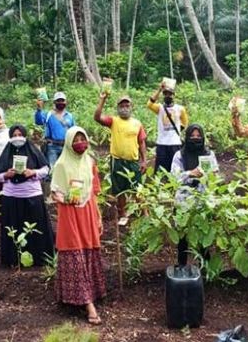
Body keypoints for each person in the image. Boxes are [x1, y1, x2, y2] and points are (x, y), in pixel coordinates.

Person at [51, 126, 106, 325]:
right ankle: (88, 304)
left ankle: (89, 294)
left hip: (88, 212)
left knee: (88, 250)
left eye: (83, 138)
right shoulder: (61, 165)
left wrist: (98, 216)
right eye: (76, 139)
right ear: (68, 142)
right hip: (70, 214)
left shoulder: (90, 161)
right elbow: (54, 192)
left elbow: (93, 191)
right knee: (75, 253)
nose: (80, 143)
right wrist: (66, 198)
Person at [0, 124, 54, 268]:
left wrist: (33, 173)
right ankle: (13, 260)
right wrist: (6, 175)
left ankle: (40, 258)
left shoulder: (33, 150)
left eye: (20, 134)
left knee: (36, 228)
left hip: (32, 195)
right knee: (14, 229)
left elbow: (46, 169)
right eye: (14, 135)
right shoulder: (7, 152)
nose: (17, 138)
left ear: (25, 136)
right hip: (11, 197)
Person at [94, 92, 148, 223]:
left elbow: (141, 143)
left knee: (138, 188)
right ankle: (123, 214)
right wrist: (103, 99)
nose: (124, 107)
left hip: (133, 161)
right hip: (117, 161)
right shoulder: (113, 121)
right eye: (122, 105)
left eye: (127, 105)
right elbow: (97, 117)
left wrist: (144, 161)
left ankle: (144, 213)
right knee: (120, 190)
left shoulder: (137, 123)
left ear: (131, 107)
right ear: (118, 108)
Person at [171, 124, 218, 266]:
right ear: (187, 137)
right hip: (184, 200)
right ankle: (182, 266)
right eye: (192, 136)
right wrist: (190, 173)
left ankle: (206, 268)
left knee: (203, 235)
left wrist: (210, 174)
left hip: (203, 199)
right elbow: (174, 177)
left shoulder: (209, 155)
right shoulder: (179, 155)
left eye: (198, 136)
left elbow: (215, 176)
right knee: (183, 237)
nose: (195, 139)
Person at [147, 81, 189, 173]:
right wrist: (159, 89)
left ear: (174, 95)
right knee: (160, 170)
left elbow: (185, 123)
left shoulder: (180, 109)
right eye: (165, 94)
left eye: (170, 94)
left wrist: (176, 131)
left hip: (175, 143)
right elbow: (149, 104)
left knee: (175, 168)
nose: (168, 96)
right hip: (161, 143)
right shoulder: (159, 108)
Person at [34, 91, 76, 168]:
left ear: (66, 102)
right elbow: (39, 121)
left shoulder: (70, 116)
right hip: (52, 147)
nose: (60, 102)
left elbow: (74, 131)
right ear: (54, 102)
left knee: (66, 169)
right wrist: (39, 109)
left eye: (62, 100)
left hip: (66, 146)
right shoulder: (49, 114)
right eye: (58, 101)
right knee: (53, 170)